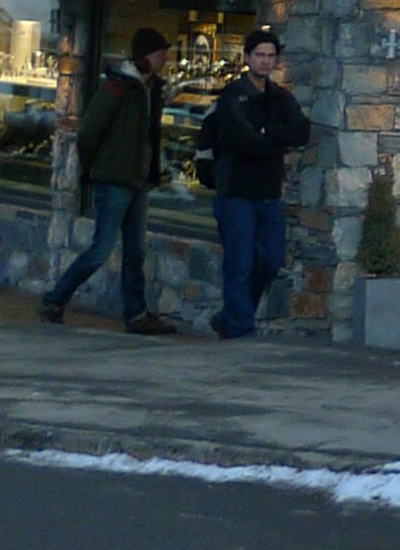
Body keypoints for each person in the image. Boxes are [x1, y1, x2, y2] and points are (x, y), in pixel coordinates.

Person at [43, 28, 179, 333]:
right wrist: (96, 169)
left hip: (137, 180)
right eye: (160, 53)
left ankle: (137, 314)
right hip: (115, 180)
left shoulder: (151, 89)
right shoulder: (117, 88)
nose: (165, 58)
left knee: (135, 251)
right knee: (100, 250)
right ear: (146, 55)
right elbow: (88, 132)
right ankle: (55, 299)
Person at [202, 27, 313, 340]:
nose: (266, 61)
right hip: (235, 191)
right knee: (240, 264)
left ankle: (231, 316)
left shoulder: (280, 97)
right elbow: (244, 142)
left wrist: (269, 134)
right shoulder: (232, 97)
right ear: (248, 58)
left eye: (271, 56)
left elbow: (302, 132)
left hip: (268, 193)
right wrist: (278, 140)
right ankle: (240, 328)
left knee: (271, 260)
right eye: (260, 55)